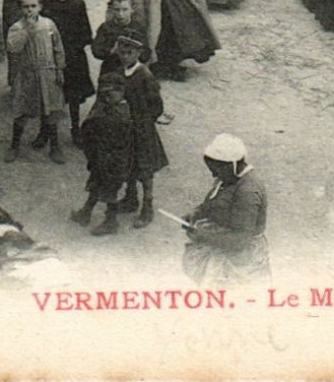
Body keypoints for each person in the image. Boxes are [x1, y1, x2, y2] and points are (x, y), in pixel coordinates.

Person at [183, 134, 271, 288]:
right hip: (222, 245)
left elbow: (240, 240)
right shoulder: (228, 179)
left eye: (216, 170)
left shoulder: (248, 191)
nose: (214, 175)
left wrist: (204, 235)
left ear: (230, 165)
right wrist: (197, 213)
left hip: (241, 260)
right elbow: (214, 201)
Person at [3, 0, 67, 165]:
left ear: (40, 7)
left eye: (33, 6)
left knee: (51, 109)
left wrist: (60, 69)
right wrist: (27, 31)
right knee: (22, 110)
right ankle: (14, 146)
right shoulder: (17, 28)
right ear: (20, 9)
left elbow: (58, 47)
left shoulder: (49, 25)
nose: (29, 10)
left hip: (47, 74)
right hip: (27, 75)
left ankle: (55, 146)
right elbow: (13, 48)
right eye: (25, 7)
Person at [112, 34, 168, 229]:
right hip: (126, 127)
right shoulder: (119, 72)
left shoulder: (144, 75)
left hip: (142, 129)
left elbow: (157, 105)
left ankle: (147, 206)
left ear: (138, 53)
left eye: (130, 53)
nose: (125, 56)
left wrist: (144, 120)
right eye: (122, 52)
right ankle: (130, 198)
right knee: (128, 163)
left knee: (145, 168)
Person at [71, 74, 133, 236]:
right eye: (103, 94)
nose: (105, 98)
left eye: (110, 94)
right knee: (95, 185)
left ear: (121, 93)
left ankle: (111, 222)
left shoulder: (119, 115)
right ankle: (86, 212)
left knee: (109, 192)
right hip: (101, 159)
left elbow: (113, 143)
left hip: (112, 162)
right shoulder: (108, 109)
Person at [42, 0, 96, 148]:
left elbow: (85, 32)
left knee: (74, 94)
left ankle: (75, 128)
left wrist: (73, 49)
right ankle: (46, 131)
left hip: (73, 57)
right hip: (50, 57)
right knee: (49, 94)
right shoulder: (46, 4)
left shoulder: (77, 4)